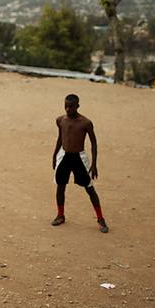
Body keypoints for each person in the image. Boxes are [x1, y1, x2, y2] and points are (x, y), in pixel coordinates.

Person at [50, 93, 108, 233]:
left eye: (71, 106)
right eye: (66, 106)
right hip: (64, 156)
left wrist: (94, 164)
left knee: (90, 188)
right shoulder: (60, 120)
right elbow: (60, 138)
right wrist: (54, 155)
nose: (68, 109)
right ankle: (60, 215)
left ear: (78, 106)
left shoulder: (85, 123)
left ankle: (100, 219)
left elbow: (93, 143)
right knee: (60, 186)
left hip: (79, 158)